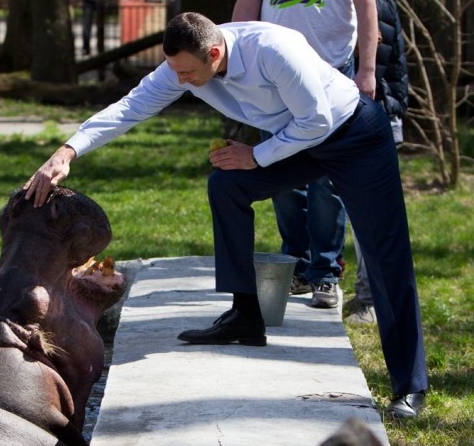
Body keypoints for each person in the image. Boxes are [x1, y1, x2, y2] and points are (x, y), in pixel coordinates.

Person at [23, 12, 427, 419]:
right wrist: (68, 150)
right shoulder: (183, 65)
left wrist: (255, 155)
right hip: (299, 140)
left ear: (215, 53)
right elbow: (129, 108)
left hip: (353, 134)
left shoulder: (273, 49)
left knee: (384, 253)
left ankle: (409, 387)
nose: (179, 81)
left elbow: (317, 120)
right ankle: (245, 316)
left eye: (187, 73)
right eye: (175, 72)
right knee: (227, 186)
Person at [231, 0, 378, 310]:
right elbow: (244, 14)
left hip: (334, 72)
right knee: (280, 175)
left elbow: (367, 9)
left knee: (327, 181)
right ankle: (296, 266)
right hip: (273, 77)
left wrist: (368, 69)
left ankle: (325, 273)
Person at [344, 0, 409, 324]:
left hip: (373, 114)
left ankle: (371, 301)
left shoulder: (374, 6)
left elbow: (382, 60)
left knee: (371, 214)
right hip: (346, 115)